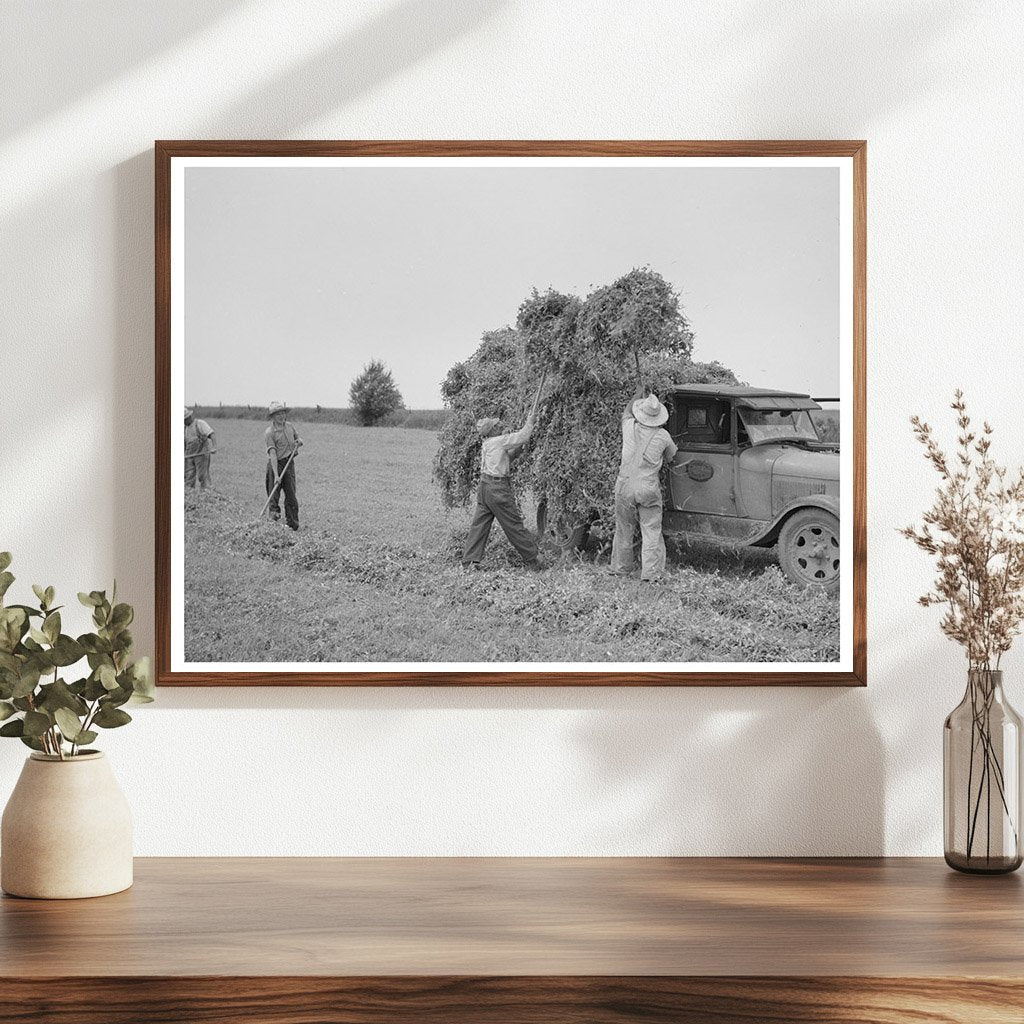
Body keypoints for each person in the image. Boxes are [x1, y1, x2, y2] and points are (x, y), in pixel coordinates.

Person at [461, 407, 543, 570]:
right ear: (492, 431)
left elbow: (507, 458)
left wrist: (517, 448)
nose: (500, 427)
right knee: (513, 525)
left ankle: (469, 562)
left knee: (480, 525)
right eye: (497, 426)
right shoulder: (499, 441)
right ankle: (534, 560)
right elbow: (523, 436)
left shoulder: (488, 443)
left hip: (485, 488)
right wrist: (530, 421)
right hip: (498, 489)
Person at [610, 385, 678, 582]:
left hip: (624, 486)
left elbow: (626, 412)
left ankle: (621, 569)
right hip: (647, 487)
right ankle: (651, 573)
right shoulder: (663, 436)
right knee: (651, 529)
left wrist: (638, 392)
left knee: (624, 528)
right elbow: (672, 457)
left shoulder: (629, 427)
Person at [264, 401, 303, 530]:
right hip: (276, 464)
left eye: (283, 413)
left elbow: (297, 438)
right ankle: (273, 525)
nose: (281, 416)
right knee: (274, 495)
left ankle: (292, 525)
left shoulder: (290, 427)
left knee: (291, 495)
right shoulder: (270, 433)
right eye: (278, 414)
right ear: (273, 417)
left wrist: (299, 441)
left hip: (289, 463)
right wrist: (276, 475)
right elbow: (273, 454)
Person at [184, 407, 215, 490]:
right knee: (188, 477)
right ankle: (189, 495)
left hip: (201, 454)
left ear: (189, 417)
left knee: (203, 476)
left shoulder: (199, 424)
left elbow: (211, 434)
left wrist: (213, 447)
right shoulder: (184, 428)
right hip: (189, 456)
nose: (184, 422)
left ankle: (207, 494)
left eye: (185, 420)